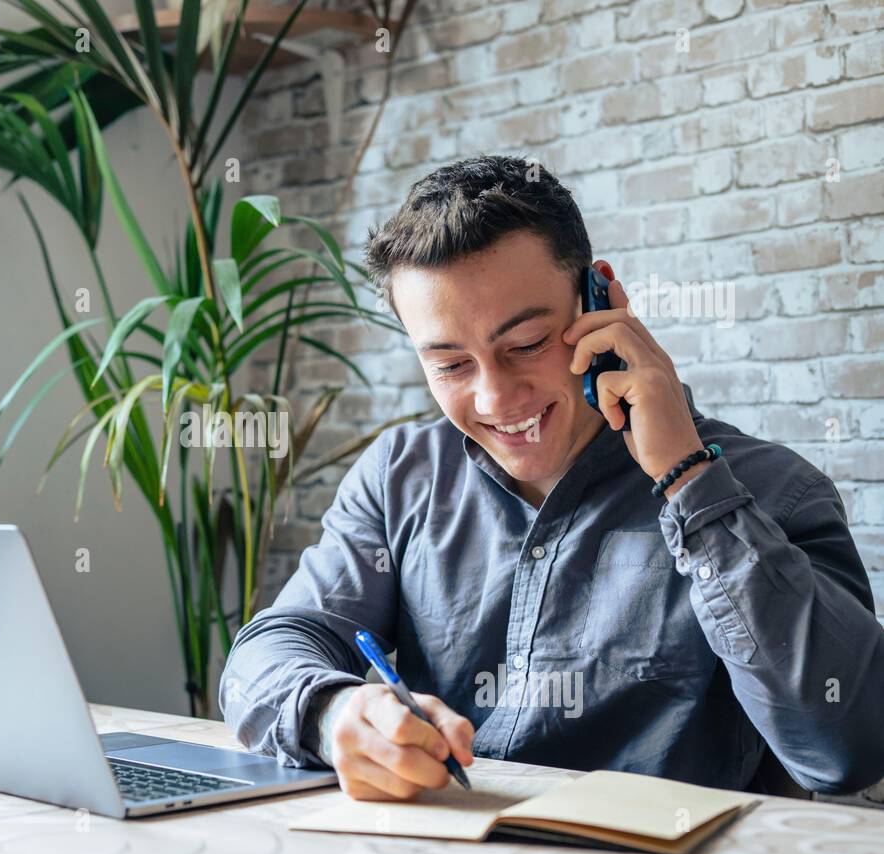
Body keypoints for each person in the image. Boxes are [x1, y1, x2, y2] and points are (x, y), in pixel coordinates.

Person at [218, 155, 884, 800]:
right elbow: (268, 653)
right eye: (451, 365)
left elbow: (846, 748)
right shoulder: (401, 476)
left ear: (599, 298)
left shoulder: (770, 491)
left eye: (527, 345)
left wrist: (688, 479)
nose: (495, 399)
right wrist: (335, 713)